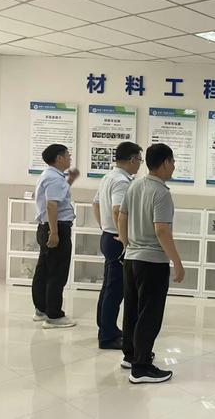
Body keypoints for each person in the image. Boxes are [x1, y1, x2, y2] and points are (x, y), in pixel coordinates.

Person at [118, 143, 185, 384]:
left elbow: (121, 217)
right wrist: (177, 262)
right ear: (165, 162)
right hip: (152, 262)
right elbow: (162, 230)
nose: (174, 166)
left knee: (132, 310)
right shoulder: (161, 193)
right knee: (150, 314)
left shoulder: (134, 185)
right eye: (173, 162)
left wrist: (127, 244)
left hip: (132, 259)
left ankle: (131, 355)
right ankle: (142, 367)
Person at [92, 142, 143, 350]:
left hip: (108, 235)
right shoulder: (122, 181)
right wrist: (123, 237)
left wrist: (103, 226)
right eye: (139, 160)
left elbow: (95, 204)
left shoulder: (108, 177)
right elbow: (117, 210)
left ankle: (105, 328)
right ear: (132, 159)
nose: (139, 164)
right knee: (115, 290)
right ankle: (108, 336)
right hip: (116, 239)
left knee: (108, 287)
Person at [32, 144, 80, 329]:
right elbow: (52, 205)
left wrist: (70, 180)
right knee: (57, 273)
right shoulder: (54, 178)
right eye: (67, 155)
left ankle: (41, 309)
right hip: (56, 227)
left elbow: (57, 196)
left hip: (47, 226)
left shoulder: (51, 175)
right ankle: (54, 316)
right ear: (59, 158)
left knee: (44, 270)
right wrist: (54, 233)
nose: (69, 157)